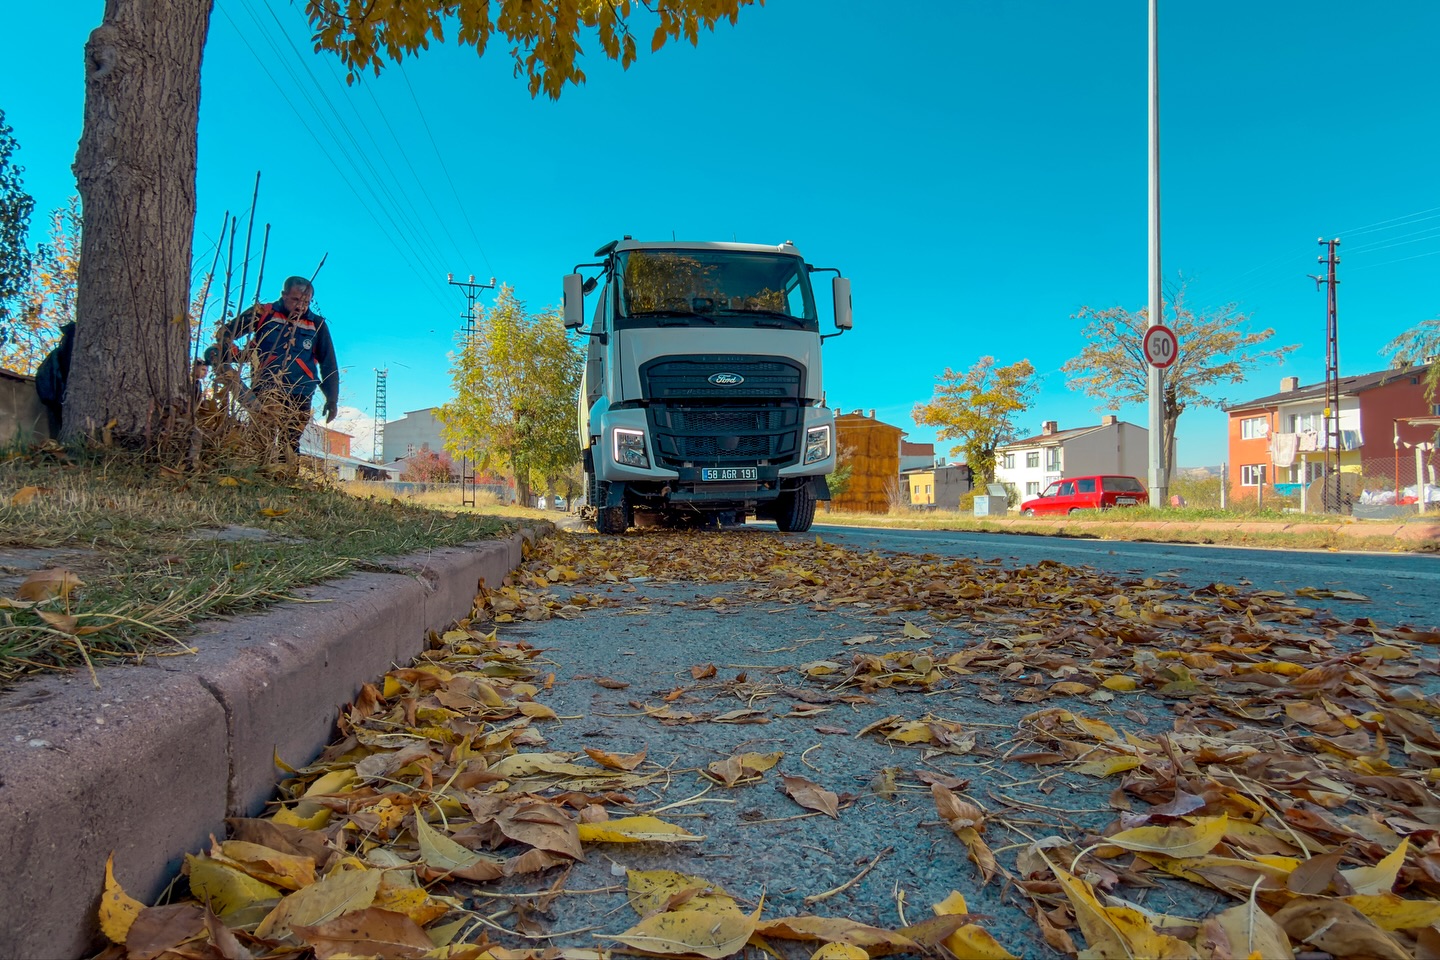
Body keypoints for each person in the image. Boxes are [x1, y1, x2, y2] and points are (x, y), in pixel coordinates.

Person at [203, 276, 339, 458]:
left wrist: (332, 399)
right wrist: (221, 352)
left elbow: (329, 363)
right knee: (260, 438)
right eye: (295, 300)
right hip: (265, 387)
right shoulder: (263, 313)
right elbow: (226, 333)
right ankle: (258, 479)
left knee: (290, 442)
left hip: (300, 391)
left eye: (306, 302)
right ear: (284, 295)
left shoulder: (317, 324)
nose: (301, 306)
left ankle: (286, 480)